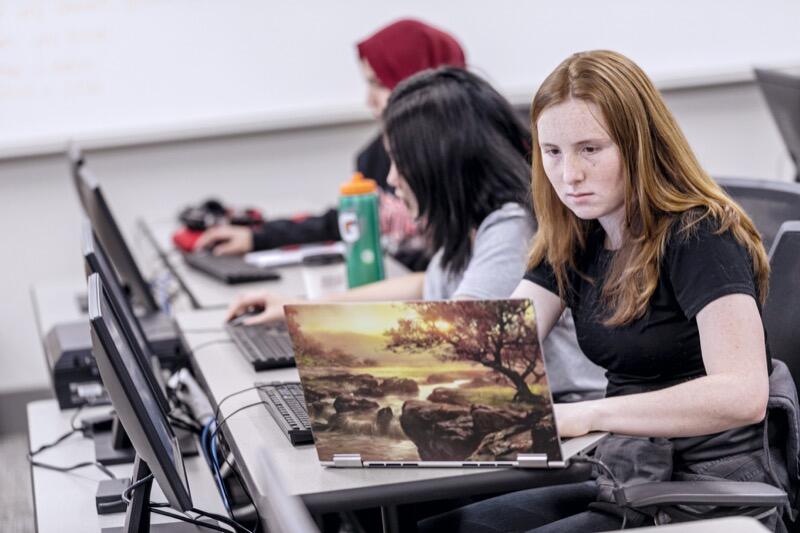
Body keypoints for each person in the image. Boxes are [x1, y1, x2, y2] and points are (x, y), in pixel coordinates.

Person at [419, 50, 787, 532]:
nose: (569, 175)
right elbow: (489, 343)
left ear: (639, 145)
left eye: (590, 149)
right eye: (552, 152)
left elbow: (743, 394)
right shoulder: (579, 234)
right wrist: (353, 377)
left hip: (706, 490)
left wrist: (587, 414)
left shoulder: (700, 235)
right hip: (629, 472)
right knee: (442, 526)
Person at [195, 18, 466, 272]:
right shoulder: (373, 157)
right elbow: (347, 221)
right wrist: (258, 237)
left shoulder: (466, 162)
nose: (368, 101)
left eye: (378, 83)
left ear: (420, 82)